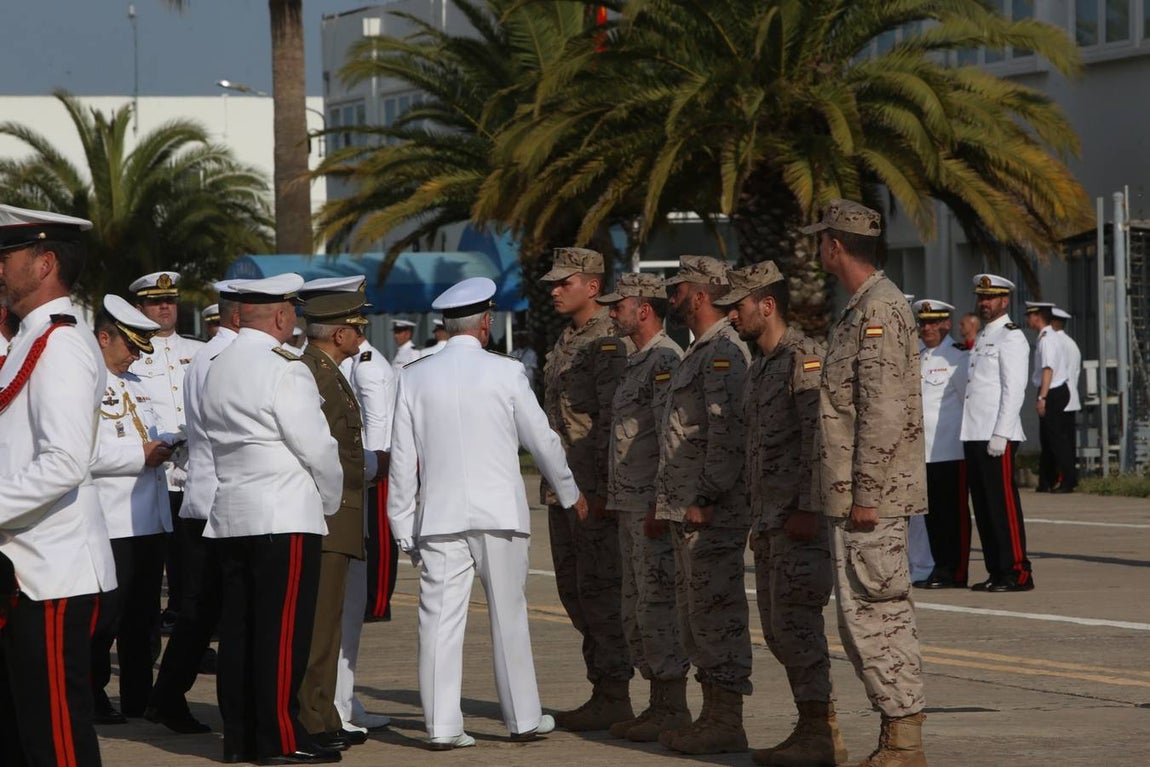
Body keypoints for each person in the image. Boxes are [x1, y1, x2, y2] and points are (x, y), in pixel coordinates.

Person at [388, 277, 586, 749]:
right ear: (485, 323)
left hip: (438, 517)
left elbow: (401, 460)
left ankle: (440, 727)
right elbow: (542, 439)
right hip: (499, 513)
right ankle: (521, 719)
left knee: (437, 620)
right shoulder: (506, 372)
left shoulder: (413, 375)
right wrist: (569, 490)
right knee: (509, 614)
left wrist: (401, 525)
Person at [201, 273, 344, 765]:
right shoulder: (286, 368)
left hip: (231, 513)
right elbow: (318, 448)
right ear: (281, 316)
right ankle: (277, 739)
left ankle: (240, 738)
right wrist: (329, 500)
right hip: (283, 512)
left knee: (239, 631)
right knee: (282, 634)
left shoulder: (215, 365)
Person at [805, 199, 928, 766]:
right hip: (853, 492)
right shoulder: (860, 307)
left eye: (820, 239)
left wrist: (868, 493)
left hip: (870, 498)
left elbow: (880, 409)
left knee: (878, 617)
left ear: (836, 245)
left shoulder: (879, 308)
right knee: (861, 618)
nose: (817, 248)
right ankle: (895, 735)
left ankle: (904, 741)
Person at [0, 203, 117, 767]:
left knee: (56, 739)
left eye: (7, 256)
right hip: (26, 566)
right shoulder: (29, 339)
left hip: (52, 571)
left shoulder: (62, 344)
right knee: (24, 732)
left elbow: (65, 461)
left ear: (45, 263)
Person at [717, 261, 845, 767]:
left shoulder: (804, 358)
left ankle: (820, 731)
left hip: (798, 520)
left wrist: (809, 509)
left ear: (765, 305)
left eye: (738, 306)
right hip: (770, 521)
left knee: (797, 624)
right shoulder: (761, 366)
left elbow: (821, 441)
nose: (730, 316)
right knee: (776, 629)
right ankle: (811, 725)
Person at [655, 255, 752, 756]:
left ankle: (726, 719)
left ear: (700, 294)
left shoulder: (723, 353)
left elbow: (727, 432)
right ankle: (711, 713)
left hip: (710, 510)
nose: (671, 297)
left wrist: (707, 496)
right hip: (687, 507)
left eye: (677, 289)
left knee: (717, 611)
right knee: (696, 613)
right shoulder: (699, 351)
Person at [538, 246, 633, 730]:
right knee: (575, 591)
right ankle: (604, 686)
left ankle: (615, 691)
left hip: (589, 491)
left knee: (600, 590)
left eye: (564, 283)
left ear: (592, 287)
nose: (555, 290)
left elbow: (612, 423)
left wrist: (598, 492)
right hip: (563, 490)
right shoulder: (568, 337)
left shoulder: (609, 340)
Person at [594, 273, 689, 744]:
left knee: (657, 606)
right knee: (636, 607)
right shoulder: (638, 361)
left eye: (619, 306)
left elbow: (669, 438)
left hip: (650, 506)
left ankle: (672, 706)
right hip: (629, 504)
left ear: (644, 309)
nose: (612, 313)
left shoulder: (665, 359)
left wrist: (658, 502)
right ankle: (658, 703)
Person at [147, 282, 239, 735]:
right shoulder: (227, 358)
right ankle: (173, 698)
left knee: (203, 606)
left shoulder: (202, 352)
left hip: (206, 488)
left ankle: (167, 697)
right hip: (215, 491)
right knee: (207, 605)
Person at [89, 296, 173, 725]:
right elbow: (82, 455)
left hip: (149, 517)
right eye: (130, 345)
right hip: (112, 517)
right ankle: (93, 695)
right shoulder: (86, 383)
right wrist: (139, 454)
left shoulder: (138, 383)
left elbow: (153, 433)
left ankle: (138, 697)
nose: (137, 355)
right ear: (104, 338)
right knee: (106, 618)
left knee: (143, 618)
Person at [128, 271, 205, 632]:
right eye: (156, 302)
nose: (165, 307)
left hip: (194, 475)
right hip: (156, 475)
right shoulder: (133, 357)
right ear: (139, 307)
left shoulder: (198, 352)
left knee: (194, 568)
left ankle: (193, 635)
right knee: (156, 564)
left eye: (170, 301)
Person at [961, 275, 1033, 592]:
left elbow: (1013, 390)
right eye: (982, 297)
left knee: (1003, 506)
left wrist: (1001, 433)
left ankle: (1018, 571)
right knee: (985, 507)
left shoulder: (1011, 337)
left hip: (996, 435)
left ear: (1005, 301)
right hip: (975, 433)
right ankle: (997, 570)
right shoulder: (984, 337)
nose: (984, 303)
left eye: (991, 298)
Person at [912, 300, 972, 590]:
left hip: (949, 449)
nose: (927, 328)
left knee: (953, 515)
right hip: (922, 451)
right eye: (923, 323)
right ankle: (939, 567)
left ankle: (955, 570)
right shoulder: (919, 356)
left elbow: (966, 402)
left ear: (946, 324)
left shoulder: (958, 357)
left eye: (933, 322)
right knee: (931, 515)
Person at [1052, 306, 1081, 488]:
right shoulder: (1070, 343)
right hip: (1070, 397)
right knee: (1066, 443)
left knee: (1060, 444)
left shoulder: (1057, 343)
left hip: (1060, 397)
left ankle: (1066, 479)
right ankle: (1067, 478)